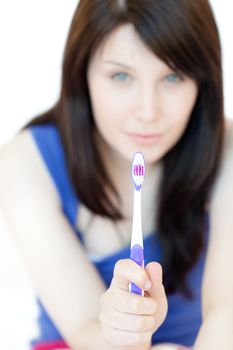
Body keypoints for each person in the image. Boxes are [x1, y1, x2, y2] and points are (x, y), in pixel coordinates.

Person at [0, 0, 233, 349]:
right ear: (81, 74)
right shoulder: (25, 162)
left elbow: (226, 313)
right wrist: (121, 338)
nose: (147, 111)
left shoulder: (225, 148)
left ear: (203, 82)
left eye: (173, 76)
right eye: (121, 76)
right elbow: (83, 327)